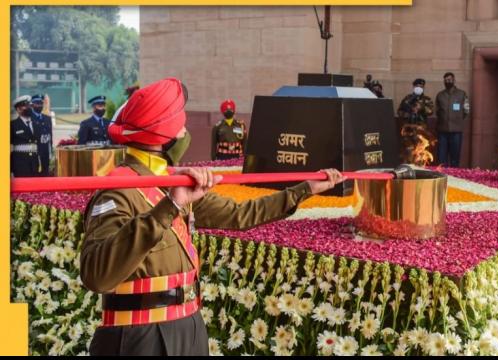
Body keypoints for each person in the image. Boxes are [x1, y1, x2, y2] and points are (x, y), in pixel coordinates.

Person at [81, 78, 345, 356]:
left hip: (188, 327)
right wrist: (170, 206)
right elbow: (97, 275)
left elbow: (240, 214)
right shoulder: (119, 191)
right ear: (164, 136)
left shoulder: (173, 184)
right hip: (140, 336)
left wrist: (305, 190)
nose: (184, 131)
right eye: (180, 125)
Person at [435, 72, 470, 167]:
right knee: (442, 158)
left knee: (455, 157)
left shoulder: (462, 94)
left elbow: (466, 110)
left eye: (449, 80)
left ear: (454, 80)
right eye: (446, 80)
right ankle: (443, 177)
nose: (447, 82)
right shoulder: (440, 95)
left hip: (456, 131)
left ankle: (455, 177)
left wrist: (457, 119)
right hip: (442, 131)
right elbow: (437, 111)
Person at [11, 95, 46, 177]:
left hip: (35, 163)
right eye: (26, 106)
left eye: (30, 105)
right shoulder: (13, 125)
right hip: (20, 164)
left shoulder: (37, 124)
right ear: (18, 109)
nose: (29, 108)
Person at [30, 94, 53, 175]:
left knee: (46, 174)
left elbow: (50, 136)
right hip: (34, 152)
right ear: (32, 105)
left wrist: (51, 152)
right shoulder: (29, 118)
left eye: (41, 103)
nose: (40, 105)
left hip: (45, 151)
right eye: (37, 103)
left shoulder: (47, 118)